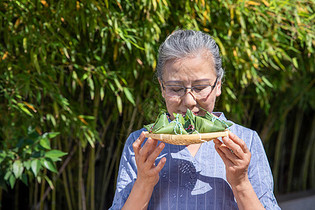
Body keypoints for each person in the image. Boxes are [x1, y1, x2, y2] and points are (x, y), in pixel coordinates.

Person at [110, 30, 280, 209]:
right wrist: (144, 183)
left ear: (218, 85)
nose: (189, 101)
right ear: (162, 87)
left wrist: (241, 183)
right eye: (175, 88)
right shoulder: (141, 145)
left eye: (200, 87)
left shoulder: (246, 141)